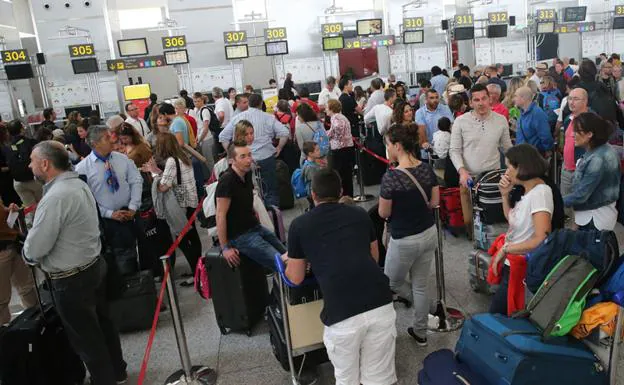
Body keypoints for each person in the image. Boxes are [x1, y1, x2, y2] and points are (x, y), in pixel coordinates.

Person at [23, 141, 128, 385]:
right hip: (93, 266)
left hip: (71, 279)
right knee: (103, 326)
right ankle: (117, 372)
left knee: (85, 337)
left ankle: (104, 380)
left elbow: (37, 247)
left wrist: (28, 254)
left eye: (32, 160)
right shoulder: (78, 185)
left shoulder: (55, 198)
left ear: (45, 163)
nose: (29, 165)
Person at [283, 168, 396, 385]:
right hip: (380, 302)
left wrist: (289, 263)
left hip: (342, 314)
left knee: (346, 378)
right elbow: (373, 256)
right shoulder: (360, 214)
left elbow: (295, 278)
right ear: (341, 191)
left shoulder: (300, 225)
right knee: (379, 378)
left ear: (313, 194)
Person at [378, 123, 438, 345]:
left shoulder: (391, 178)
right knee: (420, 284)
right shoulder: (426, 168)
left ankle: (427, 309)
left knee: (392, 282)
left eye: (388, 145)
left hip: (404, 239)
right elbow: (434, 202)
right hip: (428, 232)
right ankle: (421, 331)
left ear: (397, 146)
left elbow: (384, 212)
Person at [489, 144, 554, 315]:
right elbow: (512, 219)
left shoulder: (540, 193)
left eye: (509, 166)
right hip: (513, 261)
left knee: (498, 314)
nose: (507, 171)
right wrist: (504, 194)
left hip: (522, 265)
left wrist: (505, 249)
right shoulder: (527, 190)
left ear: (522, 166)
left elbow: (541, 238)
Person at [75, 125, 143, 276]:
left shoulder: (122, 159)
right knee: (119, 261)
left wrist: (133, 206)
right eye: (107, 137)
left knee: (139, 254)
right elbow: (86, 200)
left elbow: (136, 181)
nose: (113, 139)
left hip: (131, 214)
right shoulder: (82, 169)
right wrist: (109, 213)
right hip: (108, 222)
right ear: (95, 142)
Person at [450, 84, 513, 235]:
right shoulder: (460, 121)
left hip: (493, 178)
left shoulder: (501, 120)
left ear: (490, 99)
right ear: (471, 103)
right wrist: (462, 171)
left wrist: (514, 167)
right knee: (469, 223)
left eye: (484, 98)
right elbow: (454, 150)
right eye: (476, 100)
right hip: (468, 178)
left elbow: (507, 148)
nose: (481, 103)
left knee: (493, 221)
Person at [215, 141, 286, 270]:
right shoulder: (226, 181)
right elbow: (220, 215)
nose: (248, 160)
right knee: (282, 263)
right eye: (243, 156)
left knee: (287, 255)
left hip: (254, 227)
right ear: (232, 160)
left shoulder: (246, 173)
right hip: (240, 236)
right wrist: (225, 247)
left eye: (249, 155)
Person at [144, 132, 201, 285]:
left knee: (182, 240)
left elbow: (163, 187)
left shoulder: (171, 161)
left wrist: (154, 173)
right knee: (193, 238)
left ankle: (196, 275)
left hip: (181, 206)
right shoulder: (182, 156)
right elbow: (173, 178)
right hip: (191, 202)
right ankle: (198, 270)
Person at [219, 94, 290, 208]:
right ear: (261, 103)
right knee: (271, 190)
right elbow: (284, 132)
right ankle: (274, 218)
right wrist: (279, 148)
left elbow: (223, 137)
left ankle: (258, 215)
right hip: (266, 156)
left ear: (249, 103)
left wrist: (233, 153)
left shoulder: (238, 118)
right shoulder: (268, 117)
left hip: (243, 160)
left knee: (250, 192)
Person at [564, 112, 620, 231]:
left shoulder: (597, 159)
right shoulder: (600, 150)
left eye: (577, 131)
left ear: (590, 134)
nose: (573, 135)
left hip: (594, 219)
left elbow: (582, 195)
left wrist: (556, 200)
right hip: (594, 216)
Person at [0, 199, 36, 325]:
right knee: (2, 300)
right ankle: (4, 337)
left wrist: (8, 210)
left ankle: (37, 324)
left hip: (12, 243)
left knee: (27, 288)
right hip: (3, 250)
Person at [2, 119, 42, 210]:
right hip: (34, 180)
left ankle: (33, 223)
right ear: (21, 129)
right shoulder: (31, 142)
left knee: (31, 209)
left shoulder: (7, 147)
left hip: (18, 183)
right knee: (43, 206)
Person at [326, 99, 355, 197]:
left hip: (340, 149)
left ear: (331, 108)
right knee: (347, 174)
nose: (326, 110)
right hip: (347, 148)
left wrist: (330, 135)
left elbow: (338, 128)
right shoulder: (342, 116)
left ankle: (343, 196)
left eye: (327, 107)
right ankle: (348, 195)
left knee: (340, 175)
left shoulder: (335, 117)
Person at [514, 86, 554, 153]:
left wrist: (545, 151)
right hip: (523, 154)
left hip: (534, 155)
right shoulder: (522, 112)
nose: (514, 99)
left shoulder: (537, 113)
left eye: (516, 96)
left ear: (523, 98)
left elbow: (546, 136)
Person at [191, 92, 216, 167]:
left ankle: (214, 177)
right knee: (205, 161)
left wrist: (199, 140)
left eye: (198, 101)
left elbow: (205, 128)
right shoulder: (196, 110)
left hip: (206, 139)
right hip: (201, 139)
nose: (196, 103)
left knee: (209, 161)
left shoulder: (205, 111)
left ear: (202, 101)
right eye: (195, 101)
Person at [301, 141, 323, 210]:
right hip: (314, 195)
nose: (319, 151)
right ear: (310, 153)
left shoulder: (309, 163)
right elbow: (313, 183)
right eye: (317, 150)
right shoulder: (310, 167)